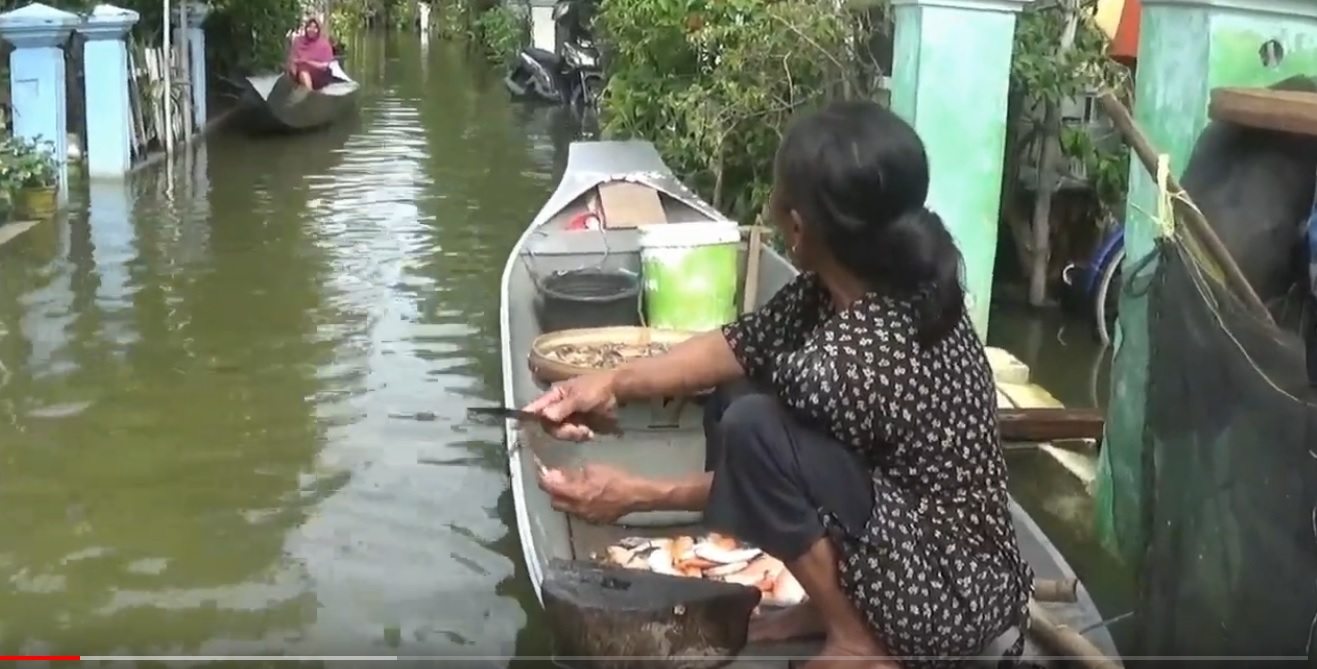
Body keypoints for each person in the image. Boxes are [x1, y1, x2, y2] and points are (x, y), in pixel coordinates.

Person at [525, 99, 1034, 669]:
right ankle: (824, 609)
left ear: (796, 228)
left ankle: (859, 642)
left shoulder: (845, 362)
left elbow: (769, 468)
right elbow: (737, 344)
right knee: (742, 399)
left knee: (749, 424)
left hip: (945, 601)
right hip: (949, 560)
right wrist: (610, 381)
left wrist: (639, 494)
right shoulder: (884, 284)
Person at [287, 18, 335, 91]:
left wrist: (308, 62)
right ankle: (309, 93)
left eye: (315, 27)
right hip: (300, 74)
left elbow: (326, 65)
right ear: (306, 28)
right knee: (303, 71)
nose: (311, 29)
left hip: (320, 75)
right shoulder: (298, 41)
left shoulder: (324, 44)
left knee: (304, 70)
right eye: (309, 27)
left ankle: (310, 93)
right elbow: (292, 60)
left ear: (318, 30)